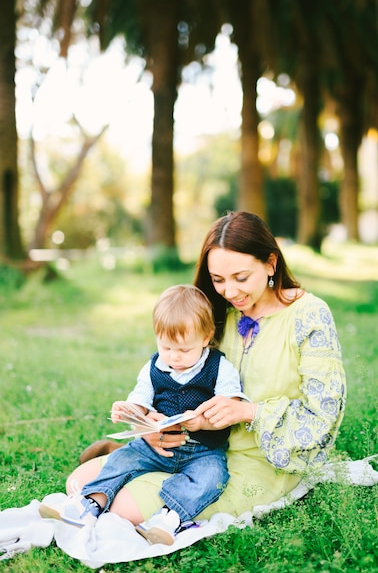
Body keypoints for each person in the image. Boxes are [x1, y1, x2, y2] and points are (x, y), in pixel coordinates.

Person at [65, 211, 346, 531]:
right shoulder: (220, 314)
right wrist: (157, 427)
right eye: (218, 280)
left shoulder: (310, 316)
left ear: (271, 263)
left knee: (120, 510)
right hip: (196, 444)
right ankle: (131, 457)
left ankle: (142, 477)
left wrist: (247, 411)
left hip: (261, 461)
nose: (229, 291)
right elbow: (179, 376)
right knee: (78, 482)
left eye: (241, 277)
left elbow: (322, 416)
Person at [39, 284, 248, 545]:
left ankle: (167, 519)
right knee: (122, 459)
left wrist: (202, 421)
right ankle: (88, 504)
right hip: (156, 447)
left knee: (212, 477)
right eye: (166, 347)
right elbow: (140, 398)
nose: (174, 357)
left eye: (184, 350)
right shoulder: (154, 367)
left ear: (206, 337)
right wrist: (131, 410)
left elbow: (230, 406)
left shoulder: (219, 367)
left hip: (203, 450)